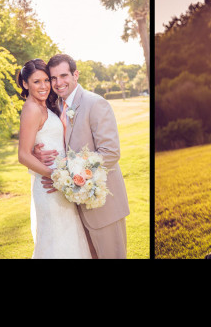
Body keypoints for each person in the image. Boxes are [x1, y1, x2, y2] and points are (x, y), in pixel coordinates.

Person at [32, 54, 130, 259]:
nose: (58, 83)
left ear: (76, 74)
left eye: (64, 75)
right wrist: (37, 153)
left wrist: (63, 176)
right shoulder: (56, 107)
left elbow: (110, 152)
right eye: (53, 78)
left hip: (103, 206)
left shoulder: (95, 103)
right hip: (72, 209)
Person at [16, 59, 92, 259]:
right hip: (50, 187)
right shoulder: (31, 109)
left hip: (60, 185)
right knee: (56, 241)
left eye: (46, 80)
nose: (44, 86)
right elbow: (22, 155)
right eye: (36, 82)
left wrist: (64, 179)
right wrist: (57, 177)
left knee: (69, 239)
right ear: (25, 84)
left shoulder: (46, 105)